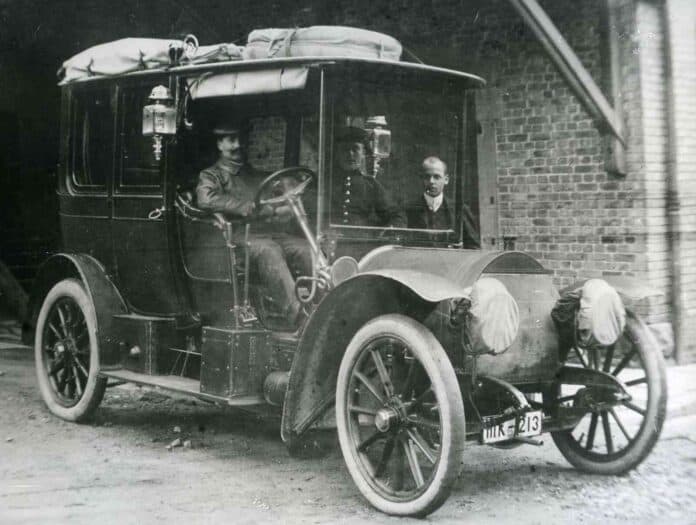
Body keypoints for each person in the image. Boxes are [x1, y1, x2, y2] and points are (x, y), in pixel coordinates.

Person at [196, 122, 312, 326]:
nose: (238, 145)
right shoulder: (211, 175)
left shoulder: (256, 174)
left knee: (306, 249)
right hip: (238, 237)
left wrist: (287, 195)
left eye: (242, 139)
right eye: (231, 140)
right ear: (219, 145)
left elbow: (273, 200)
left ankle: (326, 307)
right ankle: (300, 318)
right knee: (270, 250)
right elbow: (206, 199)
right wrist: (246, 207)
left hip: (269, 234)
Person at [331, 126, 405, 227]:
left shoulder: (371, 185)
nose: (350, 154)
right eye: (345, 149)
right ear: (337, 153)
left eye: (355, 149)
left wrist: (390, 229)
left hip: (361, 241)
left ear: (363, 153)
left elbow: (397, 216)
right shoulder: (323, 183)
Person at [406, 156, 480, 248]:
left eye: (437, 177)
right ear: (421, 178)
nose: (431, 181)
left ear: (446, 180)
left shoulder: (460, 211)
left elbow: (474, 248)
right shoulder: (408, 211)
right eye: (427, 177)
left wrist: (461, 250)